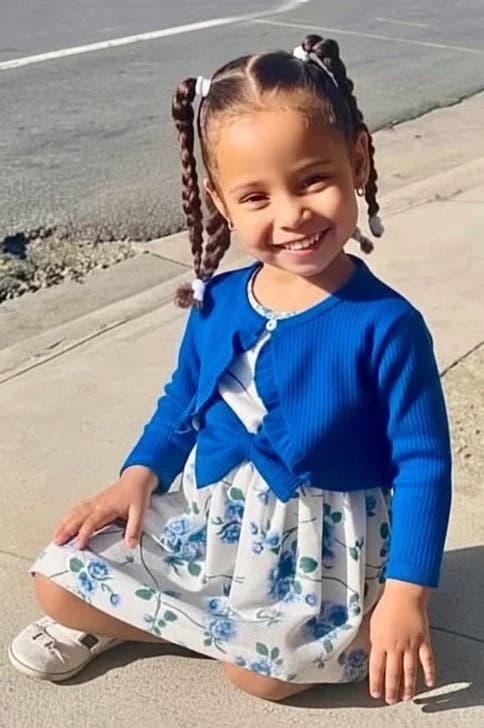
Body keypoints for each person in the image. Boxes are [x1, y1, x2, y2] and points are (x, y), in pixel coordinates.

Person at [8, 34, 452, 705]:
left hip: (319, 549)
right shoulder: (216, 301)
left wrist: (406, 595)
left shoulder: (385, 324)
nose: (292, 214)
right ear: (220, 201)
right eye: (256, 197)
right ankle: (202, 623)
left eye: (314, 179)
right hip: (210, 522)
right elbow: (182, 402)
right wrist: (137, 475)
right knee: (55, 581)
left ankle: (177, 622)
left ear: (358, 159)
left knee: (262, 679)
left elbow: (424, 464)